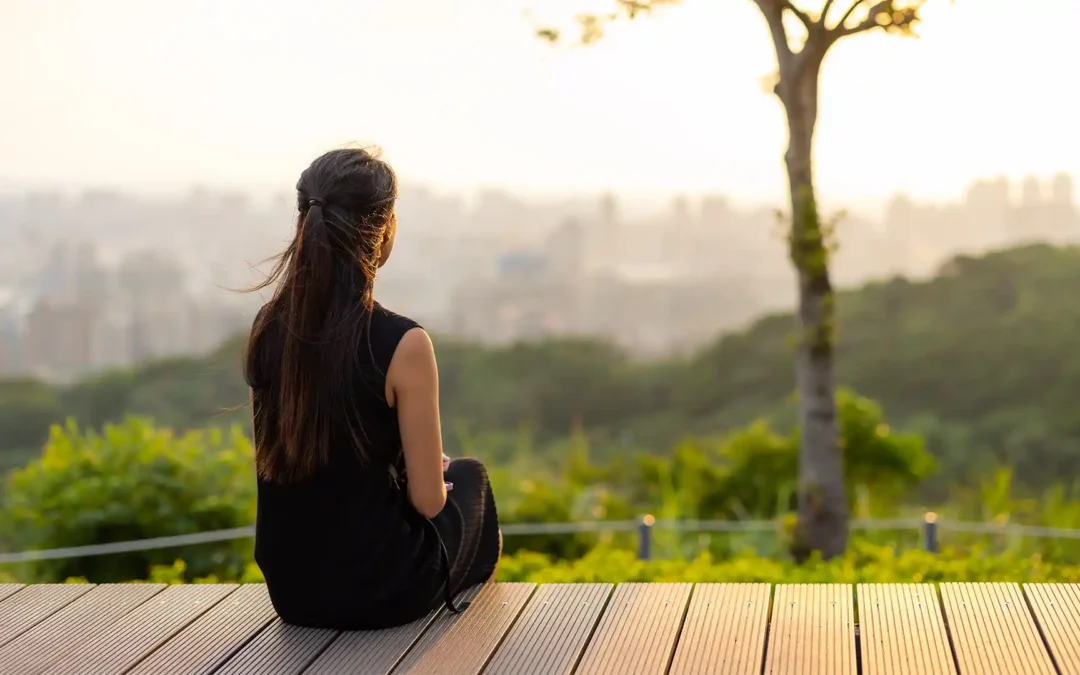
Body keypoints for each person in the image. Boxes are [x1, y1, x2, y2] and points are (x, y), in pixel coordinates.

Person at [243, 147, 501, 630]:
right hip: (380, 591)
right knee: (471, 479)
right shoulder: (403, 343)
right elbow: (429, 502)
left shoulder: (268, 327)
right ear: (385, 231)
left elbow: (289, 464)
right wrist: (423, 473)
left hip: (292, 592)